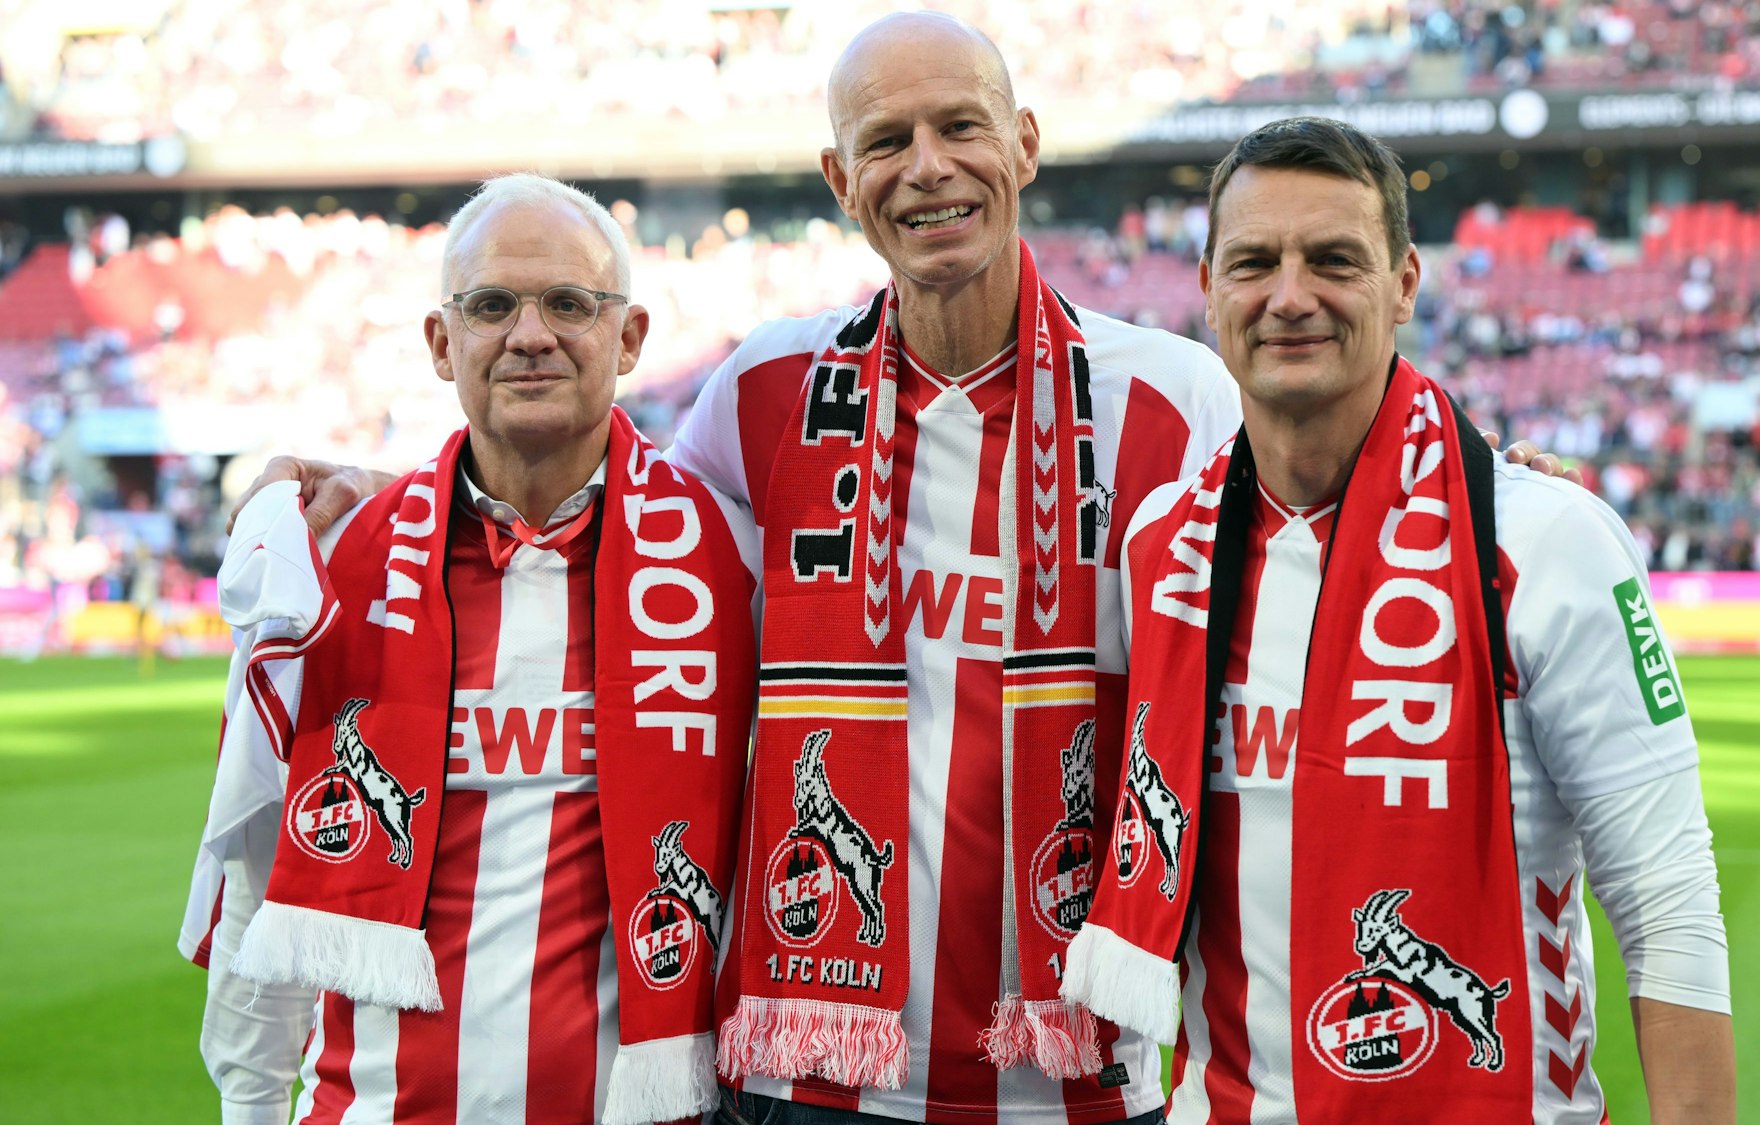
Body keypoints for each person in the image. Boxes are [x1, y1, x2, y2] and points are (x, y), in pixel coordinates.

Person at [229, 18, 1573, 1125]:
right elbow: (593, 511)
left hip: (1080, 1072)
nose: (928, 168)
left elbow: (1320, 485)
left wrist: (1479, 481)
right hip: (811, 1076)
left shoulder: (1175, 399)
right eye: (885, 142)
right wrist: (392, 489)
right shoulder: (761, 392)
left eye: (959, 128)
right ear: (840, 179)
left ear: (1024, 145)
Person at [1062, 117, 1735, 1124]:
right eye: (1254, 262)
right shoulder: (1158, 547)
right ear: (1207, 287)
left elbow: (1667, 902)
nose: (1290, 296)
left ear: (1404, 282)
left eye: (1333, 260)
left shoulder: (1545, 539)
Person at [179, 174, 759, 1124]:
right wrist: (249, 1106)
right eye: (491, 305)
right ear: (442, 344)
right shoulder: (332, 560)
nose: (530, 335)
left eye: (569, 303)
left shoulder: (730, 558)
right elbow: (262, 870)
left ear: (630, 338)